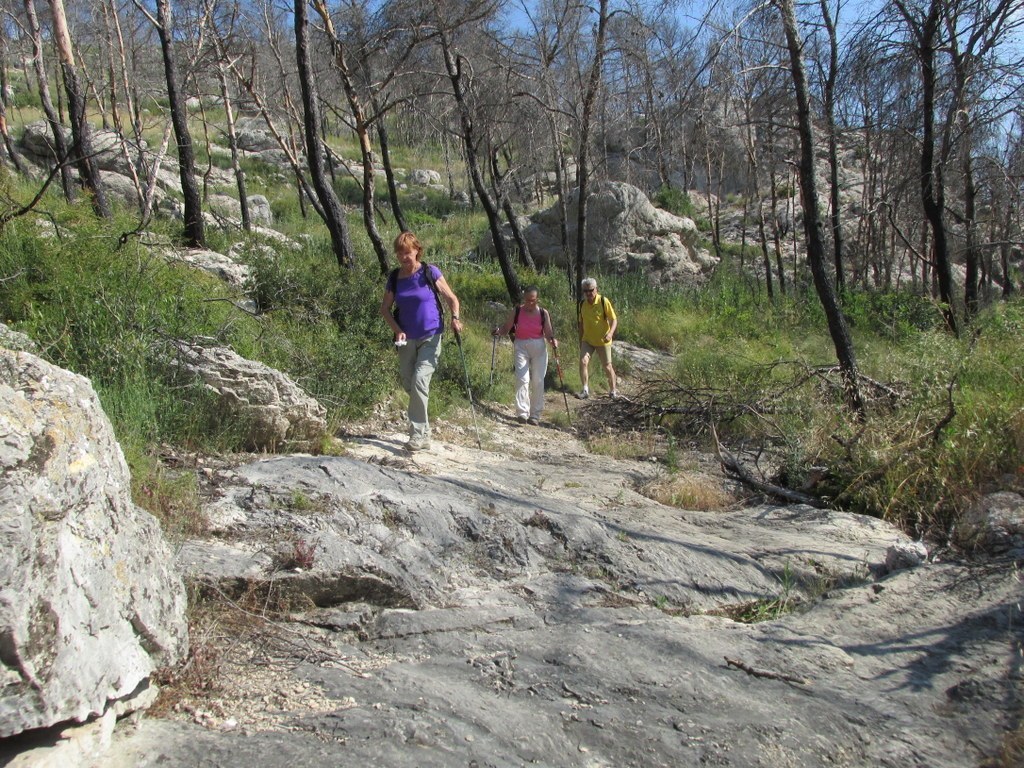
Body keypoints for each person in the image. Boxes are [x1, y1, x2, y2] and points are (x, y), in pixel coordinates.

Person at [380, 231, 463, 451]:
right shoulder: (395, 278)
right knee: (409, 382)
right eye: (399, 253)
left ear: (417, 250)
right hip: (406, 338)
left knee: (418, 380)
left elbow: (451, 298)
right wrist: (397, 330)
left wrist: (455, 318)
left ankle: (417, 435)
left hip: (431, 334)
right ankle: (425, 431)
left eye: (407, 252)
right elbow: (385, 309)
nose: (403, 257)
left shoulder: (429, 272)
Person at [492, 286, 559, 425]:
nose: (530, 303)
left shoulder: (543, 313)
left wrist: (553, 340)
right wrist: (498, 331)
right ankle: (522, 413)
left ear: (537, 299)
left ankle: (535, 415)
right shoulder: (517, 311)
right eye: (527, 300)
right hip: (521, 346)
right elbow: (506, 328)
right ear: (524, 299)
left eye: (533, 301)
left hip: (539, 348)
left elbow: (548, 333)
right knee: (522, 378)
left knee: (538, 381)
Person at [577, 277, 618, 399]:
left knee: (607, 366)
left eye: (591, 290)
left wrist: (610, 333)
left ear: (596, 289)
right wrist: (580, 340)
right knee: (583, 362)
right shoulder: (582, 304)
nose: (588, 293)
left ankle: (613, 390)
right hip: (588, 340)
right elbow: (581, 323)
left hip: (603, 341)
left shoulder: (603, 301)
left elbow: (613, 319)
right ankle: (585, 390)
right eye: (585, 291)